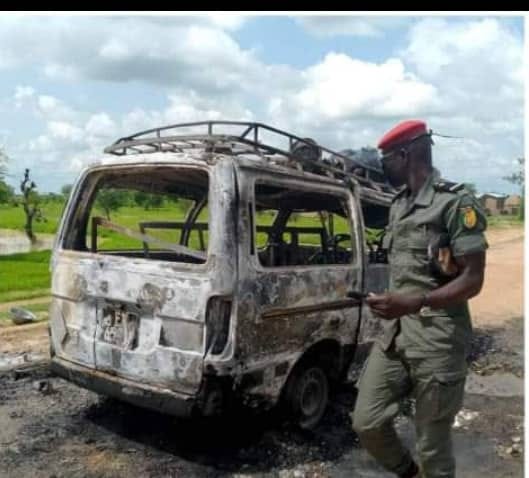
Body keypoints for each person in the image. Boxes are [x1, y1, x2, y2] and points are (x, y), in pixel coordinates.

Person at [352, 120, 488, 478]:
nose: (383, 166)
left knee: (433, 447)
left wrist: (417, 301)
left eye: (386, 159)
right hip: (395, 334)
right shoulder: (399, 205)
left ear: (406, 154)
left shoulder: (455, 203)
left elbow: (473, 280)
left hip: (437, 339)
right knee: (366, 421)